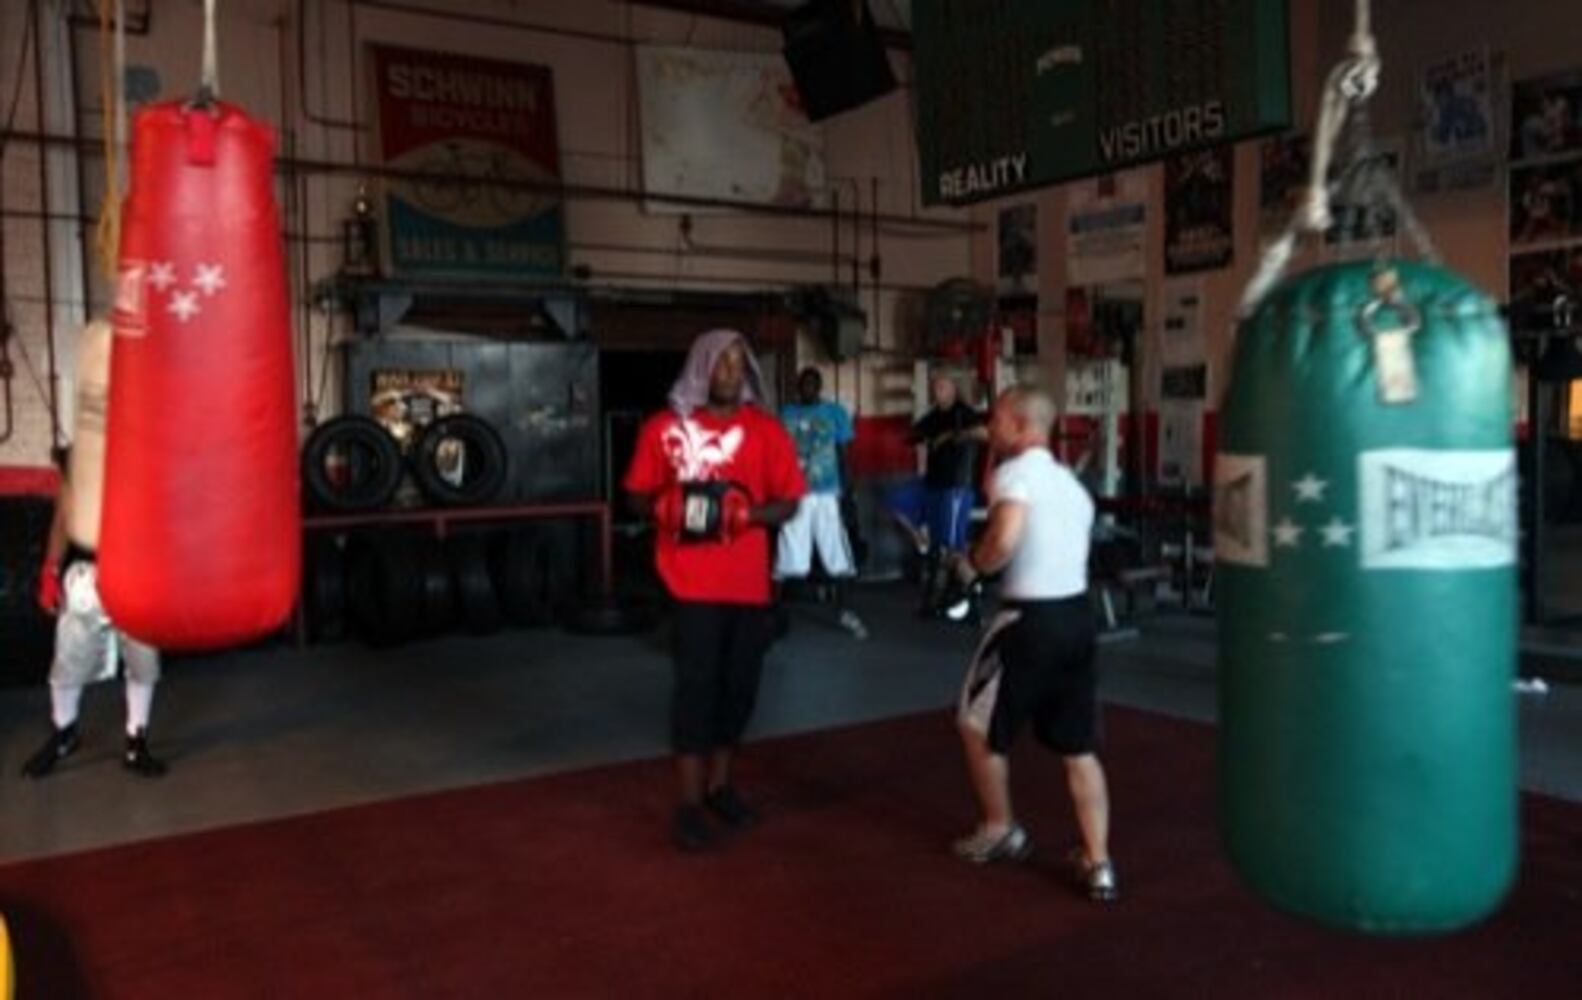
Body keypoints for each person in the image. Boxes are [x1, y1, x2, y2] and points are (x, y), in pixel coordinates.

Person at [624, 330, 806, 852]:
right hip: (689, 583)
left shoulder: (766, 432)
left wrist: (747, 514)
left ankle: (720, 788)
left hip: (747, 585)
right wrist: (666, 507)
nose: (729, 371)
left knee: (739, 688)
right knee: (695, 687)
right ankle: (687, 803)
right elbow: (635, 495)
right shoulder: (664, 429)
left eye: (737, 363)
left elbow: (790, 501)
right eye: (720, 363)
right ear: (700, 368)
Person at [946, 387, 1116, 903]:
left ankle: (1000, 828)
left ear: (1022, 426)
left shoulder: (1015, 474)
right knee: (1078, 748)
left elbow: (1003, 540)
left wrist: (972, 565)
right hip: (1077, 622)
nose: (990, 429)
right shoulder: (1073, 486)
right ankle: (1099, 861)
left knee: (974, 724)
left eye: (997, 421)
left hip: (1029, 622)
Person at [23, 446, 167, 780]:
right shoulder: (80, 459)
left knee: (143, 660)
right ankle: (64, 733)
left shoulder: (144, 449)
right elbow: (63, 516)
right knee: (68, 661)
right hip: (89, 574)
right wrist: (50, 570)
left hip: (137, 570)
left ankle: (136, 740)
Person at [775, 367, 867, 639]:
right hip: (795, 492)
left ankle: (846, 611)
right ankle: (771, 611)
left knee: (837, 552)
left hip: (827, 492)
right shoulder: (786, 415)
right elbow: (779, 454)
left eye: (813, 384)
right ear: (797, 387)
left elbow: (842, 451)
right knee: (789, 552)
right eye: (804, 384)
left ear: (820, 387)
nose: (808, 389)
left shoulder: (834, 412)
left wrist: (848, 486)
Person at [909, 374, 987, 609]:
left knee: (953, 546)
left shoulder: (964, 413)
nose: (937, 391)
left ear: (954, 389)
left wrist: (952, 435)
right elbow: (915, 433)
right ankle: (937, 597)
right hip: (935, 484)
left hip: (956, 486)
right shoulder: (934, 416)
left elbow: (985, 433)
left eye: (942, 386)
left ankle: (974, 593)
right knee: (937, 545)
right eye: (935, 387)